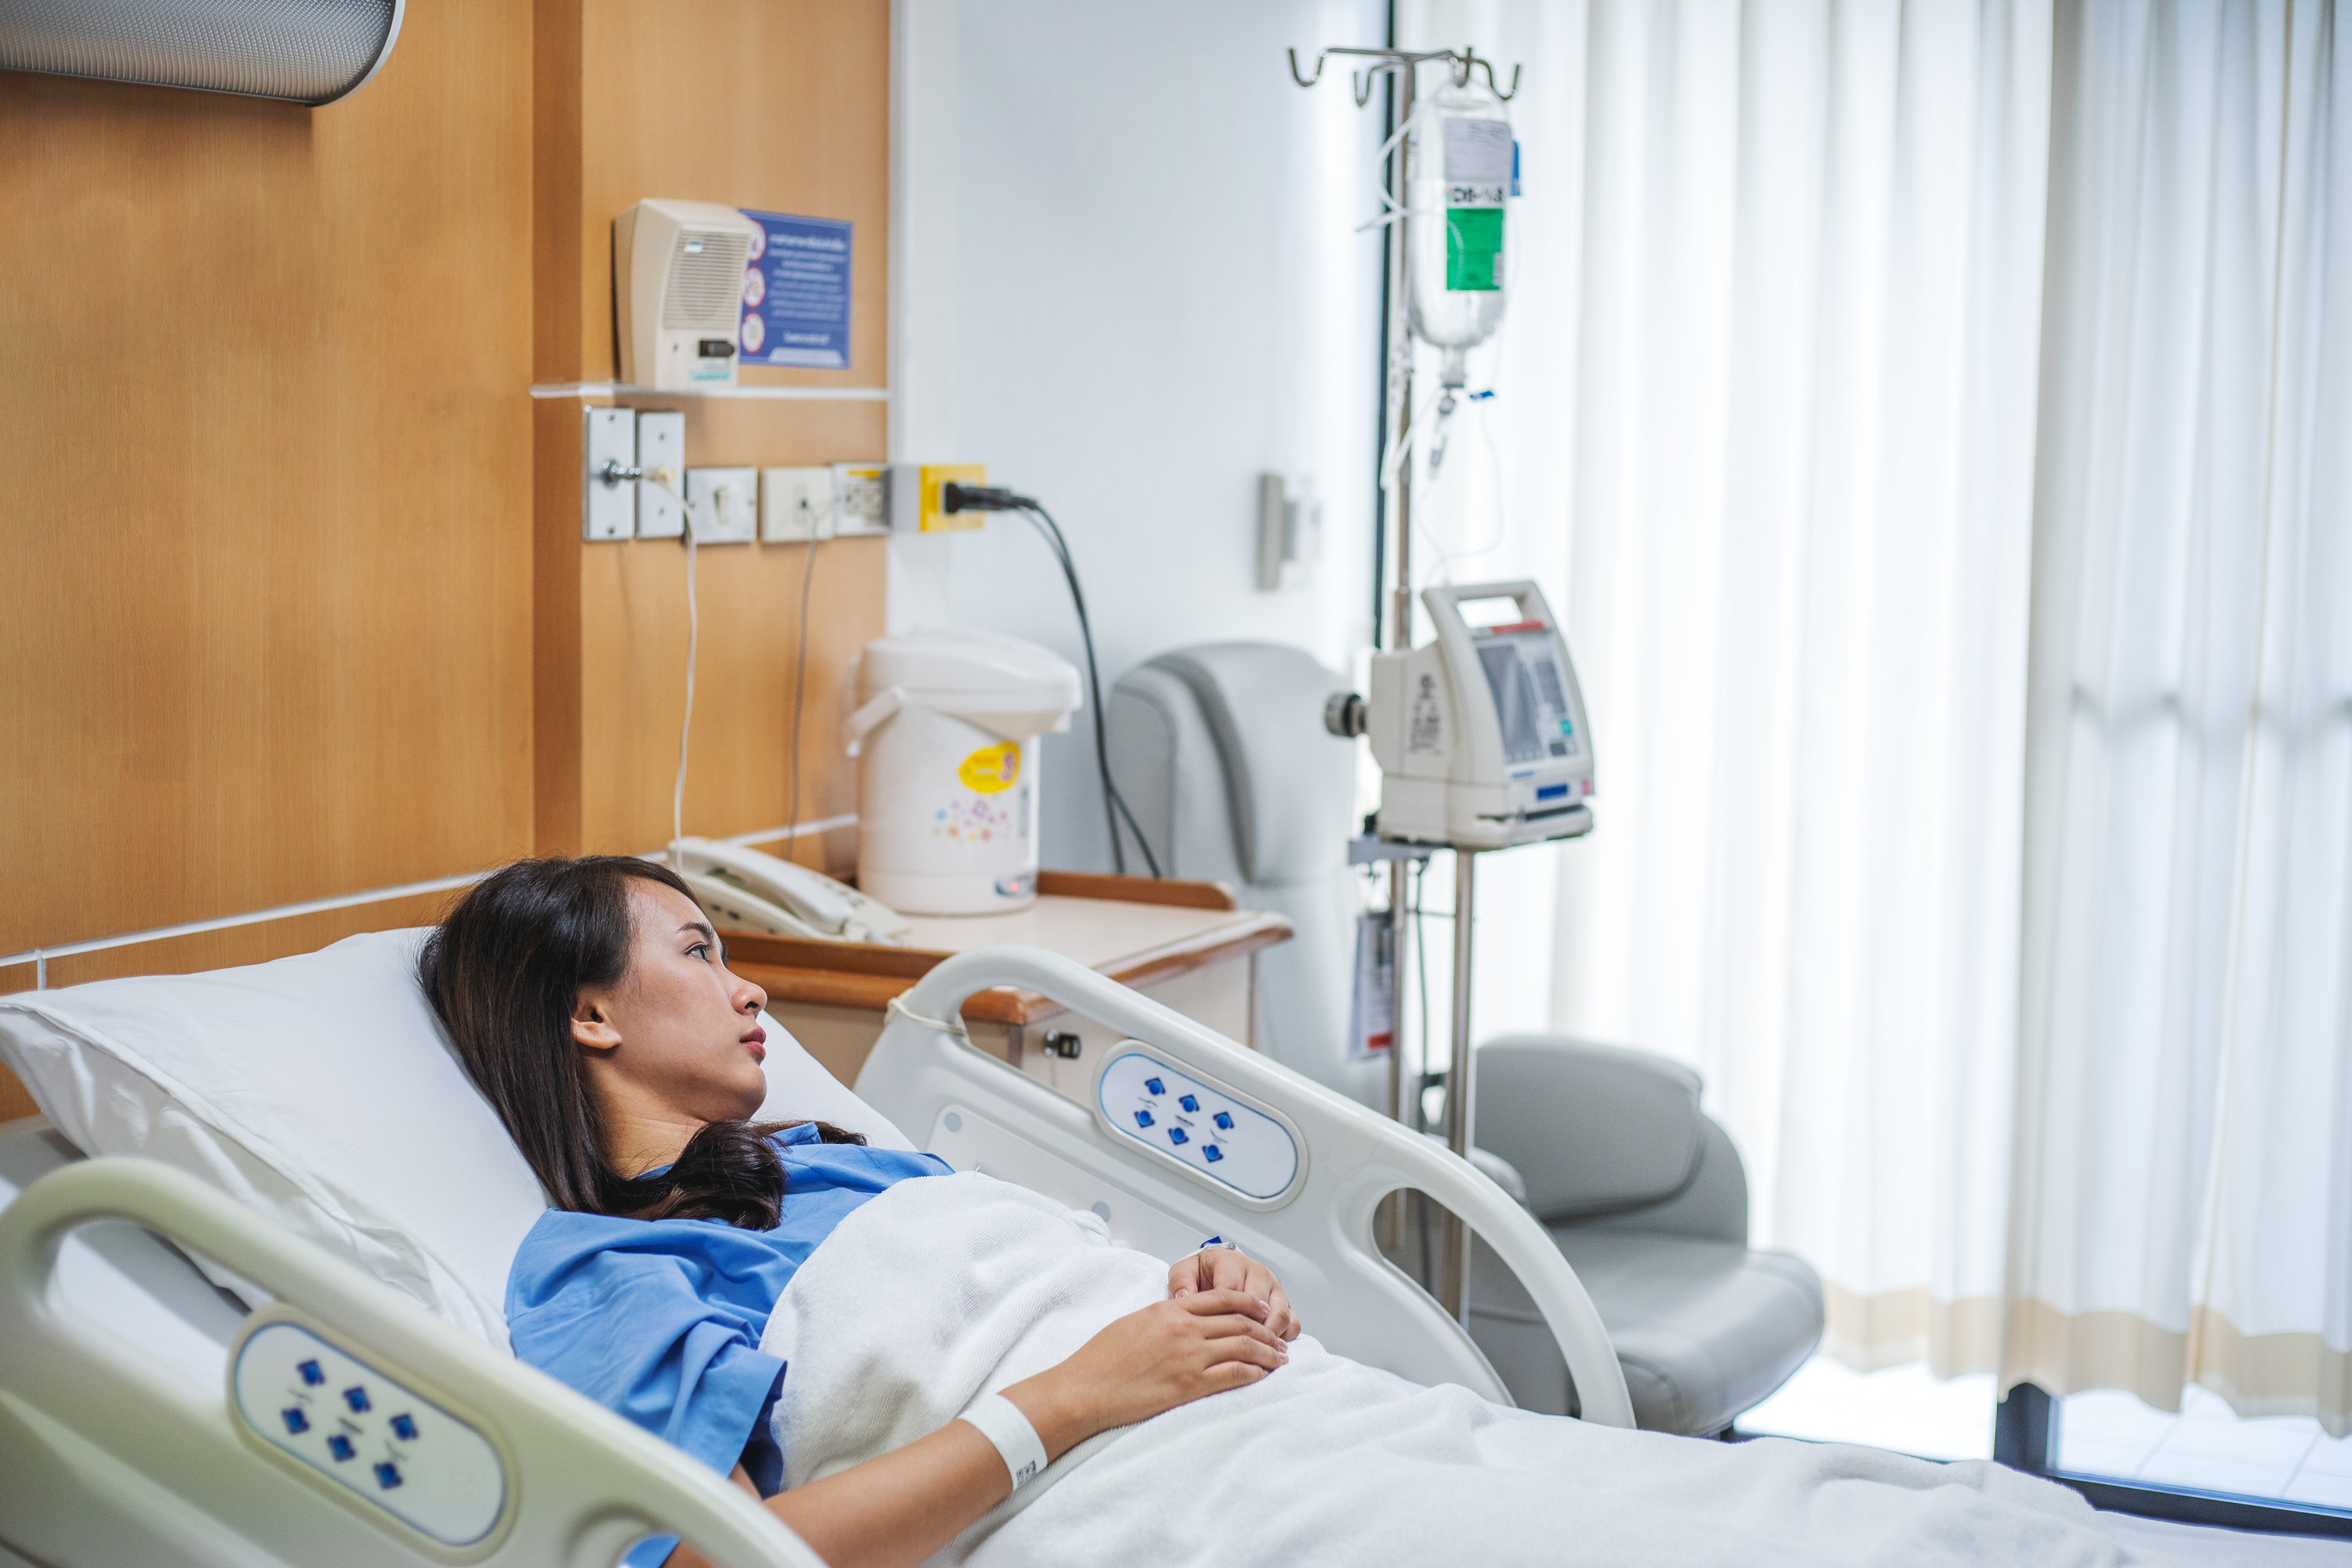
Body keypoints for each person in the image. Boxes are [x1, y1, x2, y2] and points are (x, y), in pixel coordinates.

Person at [420, 857, 1301, 1568]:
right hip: (1176, 1499)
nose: (751, 991)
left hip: (1289, 1419)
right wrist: (1078, 1394)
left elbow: (1038, 1291)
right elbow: (714, 1557)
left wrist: (1200, 1288)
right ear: (591, 1012)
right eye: (698, 952)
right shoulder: (612, 1267)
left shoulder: (834, 1155)